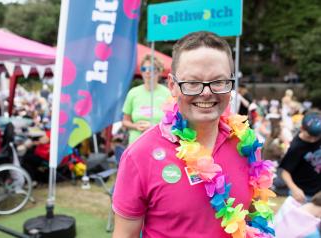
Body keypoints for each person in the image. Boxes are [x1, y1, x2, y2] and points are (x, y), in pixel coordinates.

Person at [113, 32, 275, 238]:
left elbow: (253, 219)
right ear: (172, 86)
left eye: (218, 81)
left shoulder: (246, 145)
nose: (206, 92)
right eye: (192, 83)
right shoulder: (139, 155)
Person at [122, 54, 170, 145]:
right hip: (135, 144)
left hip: (159, 143)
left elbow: (172, 124)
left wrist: (154, 127)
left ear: (159, 71)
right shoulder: (133, 93)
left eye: (151, 69)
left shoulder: (167, 93)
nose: (147, 72)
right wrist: (135, 126)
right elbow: (125, 121)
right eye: (144, 69)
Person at [280, 111, 321, 203]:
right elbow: (285, 172)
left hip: (317, 191)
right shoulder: (296, 147)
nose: (313, 140)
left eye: (316, 137)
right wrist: (294, 189)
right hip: (302, 193)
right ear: (302, 128)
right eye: (310, 136)